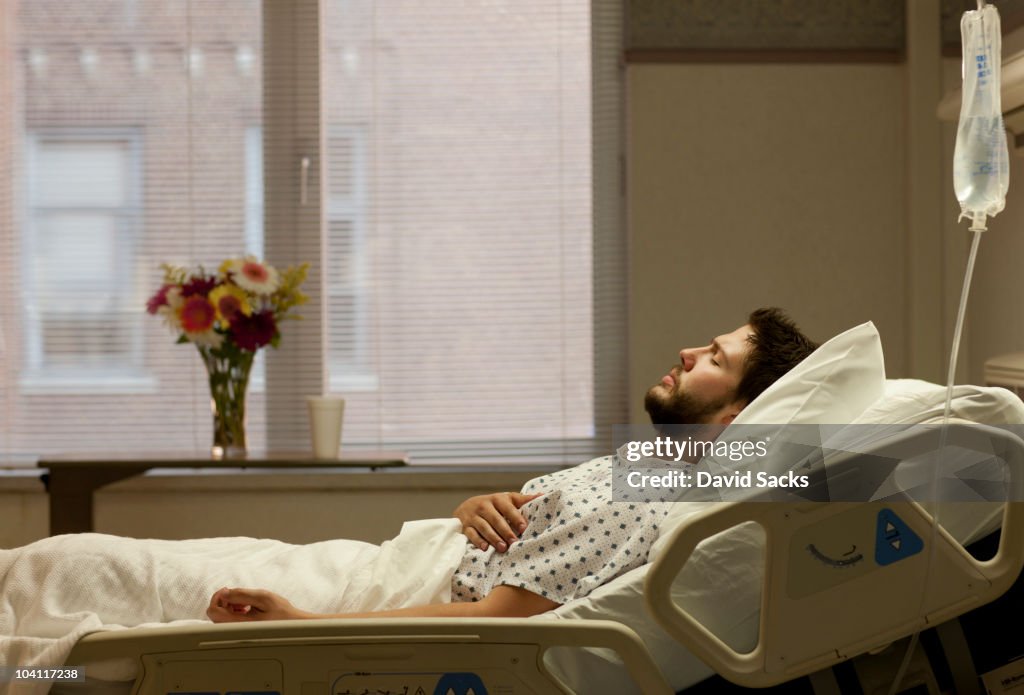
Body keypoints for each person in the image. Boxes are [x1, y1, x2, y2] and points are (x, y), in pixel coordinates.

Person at [206, 307, 818, 624]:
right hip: (391, 561)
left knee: (120, 572)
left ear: (736, 419)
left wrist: (301, 623)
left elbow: (495, 619)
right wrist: (474, 508)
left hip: (376, 592)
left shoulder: (650, 500)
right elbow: (535, 541)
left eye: (715, 357)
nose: (687, 351)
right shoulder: (653, 465)